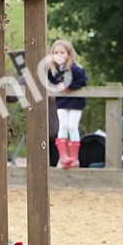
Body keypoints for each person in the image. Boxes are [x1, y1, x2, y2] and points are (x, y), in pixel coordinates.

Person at [47, 38, 88, 169]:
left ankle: (75, 158)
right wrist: (57, 86)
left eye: (62, 52)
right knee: (63, 126)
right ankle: (63, 157)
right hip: (62, 101)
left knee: (72, 126)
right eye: (56, 53)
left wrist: (69, 86)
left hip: (75, 101)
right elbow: (51, 82)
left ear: (69, 54)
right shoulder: (53, 70)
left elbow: (83, 81)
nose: (59, 55)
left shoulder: (75, 68)